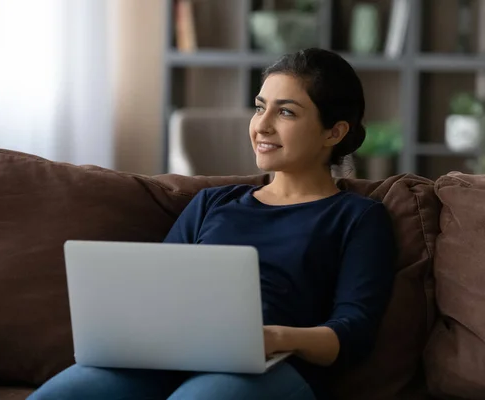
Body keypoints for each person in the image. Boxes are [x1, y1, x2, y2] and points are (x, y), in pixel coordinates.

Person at [28, 48, 396, 400]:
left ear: (333, 133)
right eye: (259, 108)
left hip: (280, 368)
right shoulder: (212, 203)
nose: (262, 126)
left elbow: (353, 332)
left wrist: (275, 338)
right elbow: (158, 292)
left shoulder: (358, 218)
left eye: (286, 113)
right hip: (173, 356)